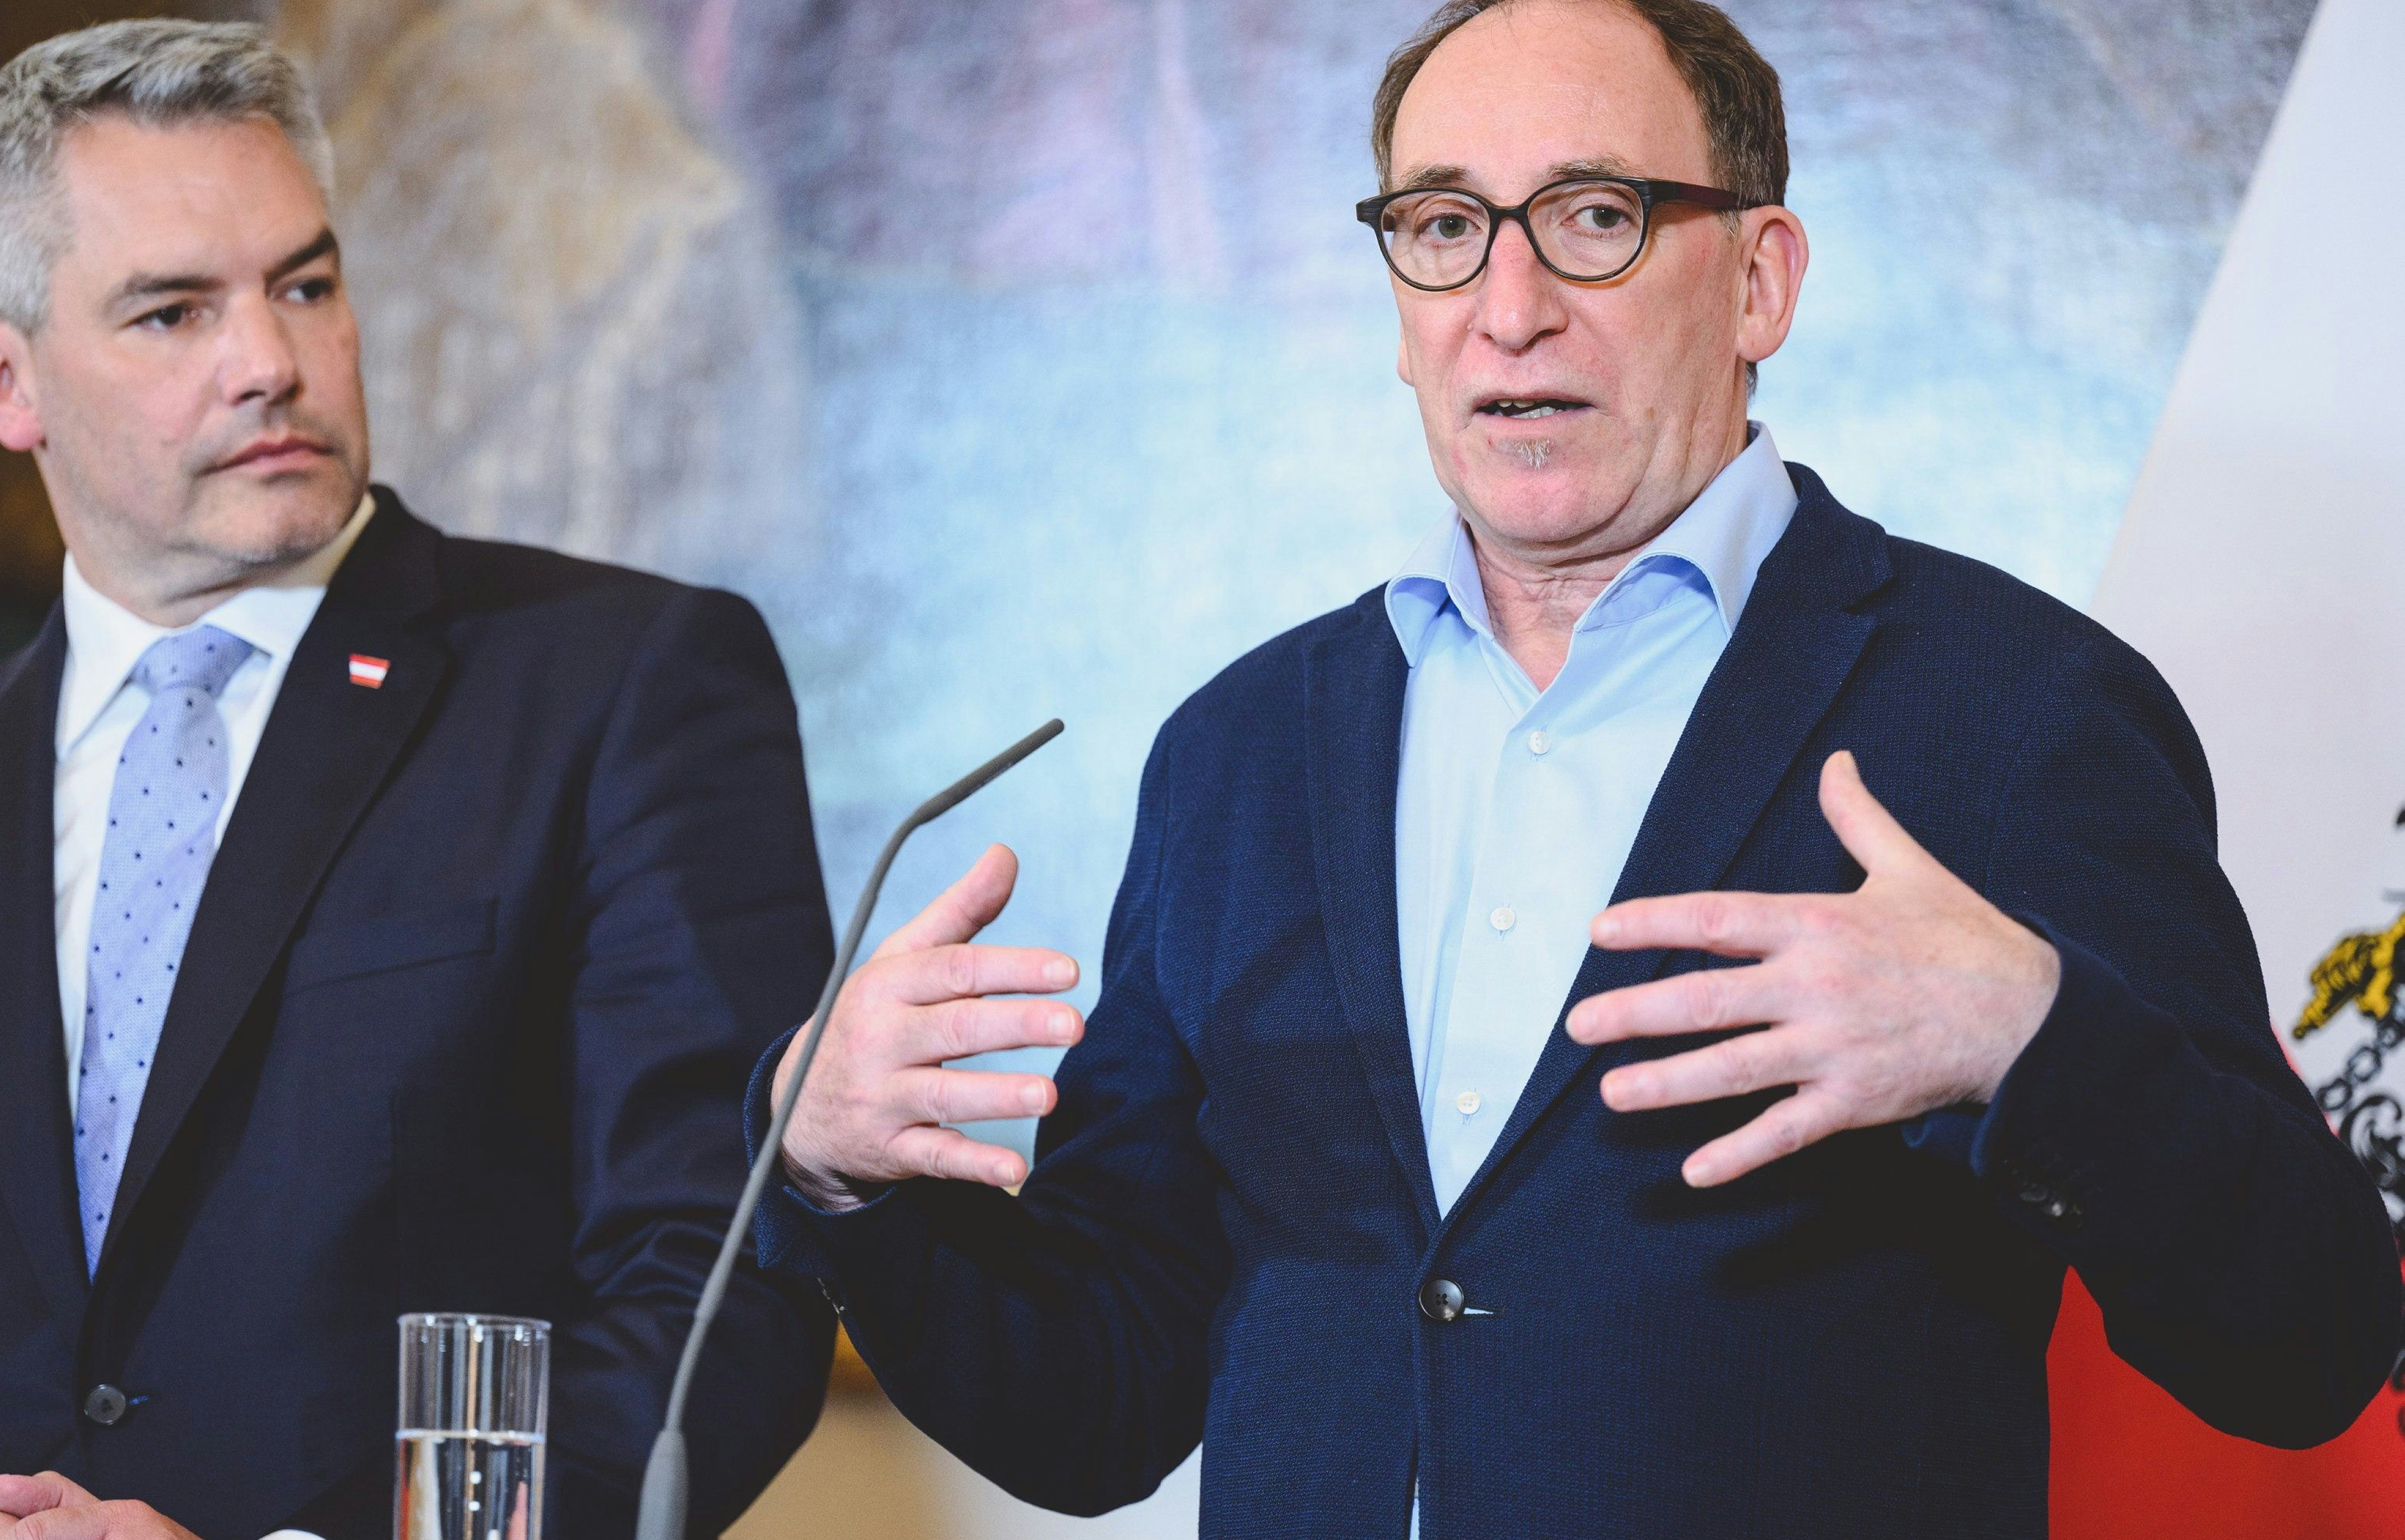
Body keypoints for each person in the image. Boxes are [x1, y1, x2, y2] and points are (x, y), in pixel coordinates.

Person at [751, 0, 2403, 1535]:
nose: (1509, 304)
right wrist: (834, 1171)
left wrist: (2028, 1039)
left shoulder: (2014, 706)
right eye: (1445, 228)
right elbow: (1097, 1405)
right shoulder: (1241, 751)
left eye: (1596, 216)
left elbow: (2308, 1339)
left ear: (1758, 281)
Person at [0, 21, 833, 1540]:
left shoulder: (625, 688)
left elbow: (711, 1293)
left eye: (305, 284)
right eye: (171, 313)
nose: (272, 362)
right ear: (4, 379)